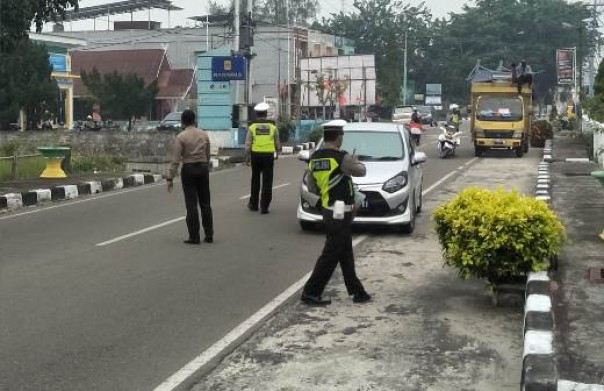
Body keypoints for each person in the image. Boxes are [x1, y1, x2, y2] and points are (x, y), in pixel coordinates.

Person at [300, 120, 371, 306]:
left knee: (345, 252)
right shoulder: (341, 158)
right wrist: (354, 161)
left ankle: (357, 292)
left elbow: (312, 185)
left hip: (328, 210)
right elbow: (362, 171)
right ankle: (311, 292)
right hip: (340, 213)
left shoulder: (314, 158)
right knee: (330, 255)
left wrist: (327, 191)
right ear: (339, 138)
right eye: (342, 137)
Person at [167, 109, 214, 244]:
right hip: (203, 168)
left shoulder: (181, 137)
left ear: (182, 122)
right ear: (194, 120)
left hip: (188, 170)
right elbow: (208, 154)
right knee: (205, 203)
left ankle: (194, 236)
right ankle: (209, 234)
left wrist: (170, 178)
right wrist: (205, 166)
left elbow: (175, 160)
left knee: (191, 204)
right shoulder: (204, 134)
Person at [245, 102, 280, 214]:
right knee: (267, 181)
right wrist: (277, 152)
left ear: (257, 114)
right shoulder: (272, 127)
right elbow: (277, 143)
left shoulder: (252, 127)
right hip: (268, 156)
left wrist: (247, 156)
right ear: (266, 113)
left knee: (255, 180)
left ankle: (253, 204)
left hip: (255, 155)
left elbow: (248, 144)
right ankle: (264, 206)